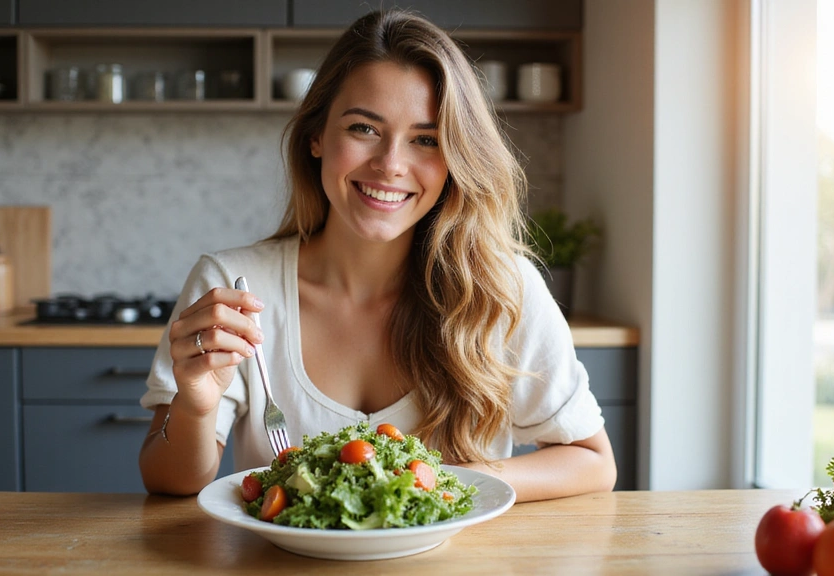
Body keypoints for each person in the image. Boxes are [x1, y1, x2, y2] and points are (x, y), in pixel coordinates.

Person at [139, 9, 617, 502]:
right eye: (364, 129)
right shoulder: (235, 285)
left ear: (456, 159)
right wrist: (195, 405)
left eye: (426, 139)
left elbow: (593, 462)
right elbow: (168, 480)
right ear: (317, 137)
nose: (390, 165)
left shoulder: (502, 288)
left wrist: (437, 481)